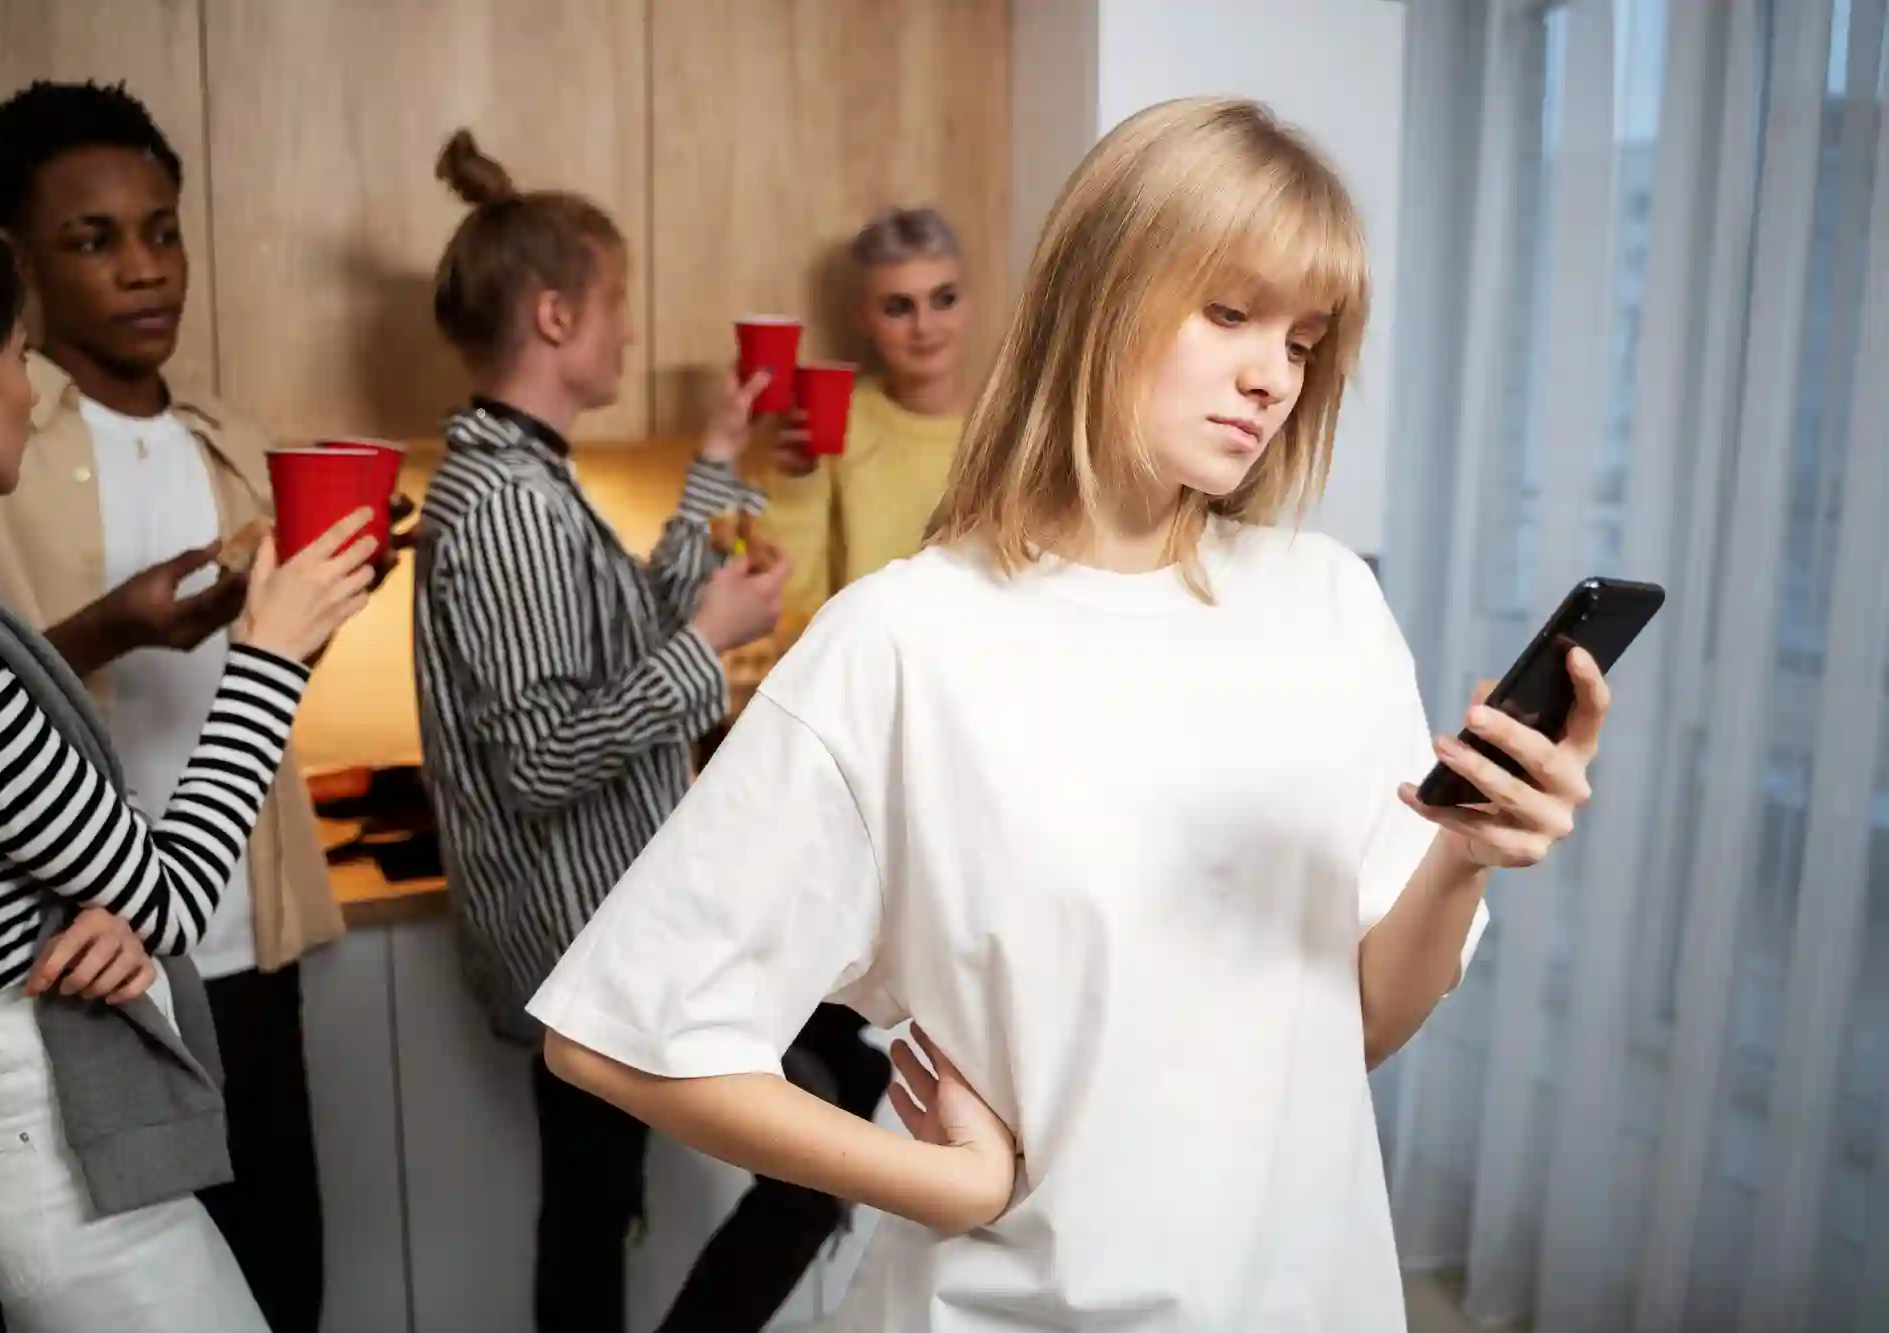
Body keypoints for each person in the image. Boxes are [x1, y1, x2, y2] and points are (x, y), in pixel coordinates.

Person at [528, 98, 1618, 1331]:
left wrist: (1458, 861)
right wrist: (941, 1180)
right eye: (1227, 314)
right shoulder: (904, 640)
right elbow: (615, 1032)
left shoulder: (1329, 607)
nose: (1271, 375)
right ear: (1098, 293)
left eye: (1303, 341)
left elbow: (1347, 1027)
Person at [412, 129, 881, 1333]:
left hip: (600, 927)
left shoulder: (526, 476)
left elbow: (619, 635)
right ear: (558, 316)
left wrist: (719, 461)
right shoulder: (511, 506)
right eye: (616, 303)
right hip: (586, 935)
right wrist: (707, 642)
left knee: (589, 1200)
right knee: (841, 1100)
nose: (630, 330)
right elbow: (537, 760)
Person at [0, 189, 376, 1332]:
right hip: (35, 1128)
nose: (26, 382)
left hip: (9, 1107)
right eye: (15, 355)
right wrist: (272, 651)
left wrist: (108, 901)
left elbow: (92, 885)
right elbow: (162, 890)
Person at [757, 206, 972, 625]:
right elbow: (791, 600)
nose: (925, 327)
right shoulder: (836, 422)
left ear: (968, 304)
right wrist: (796, 485)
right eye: (898, 307)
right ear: (864, 320)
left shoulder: (1013, 426)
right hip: (865, 676)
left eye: (944, 299)